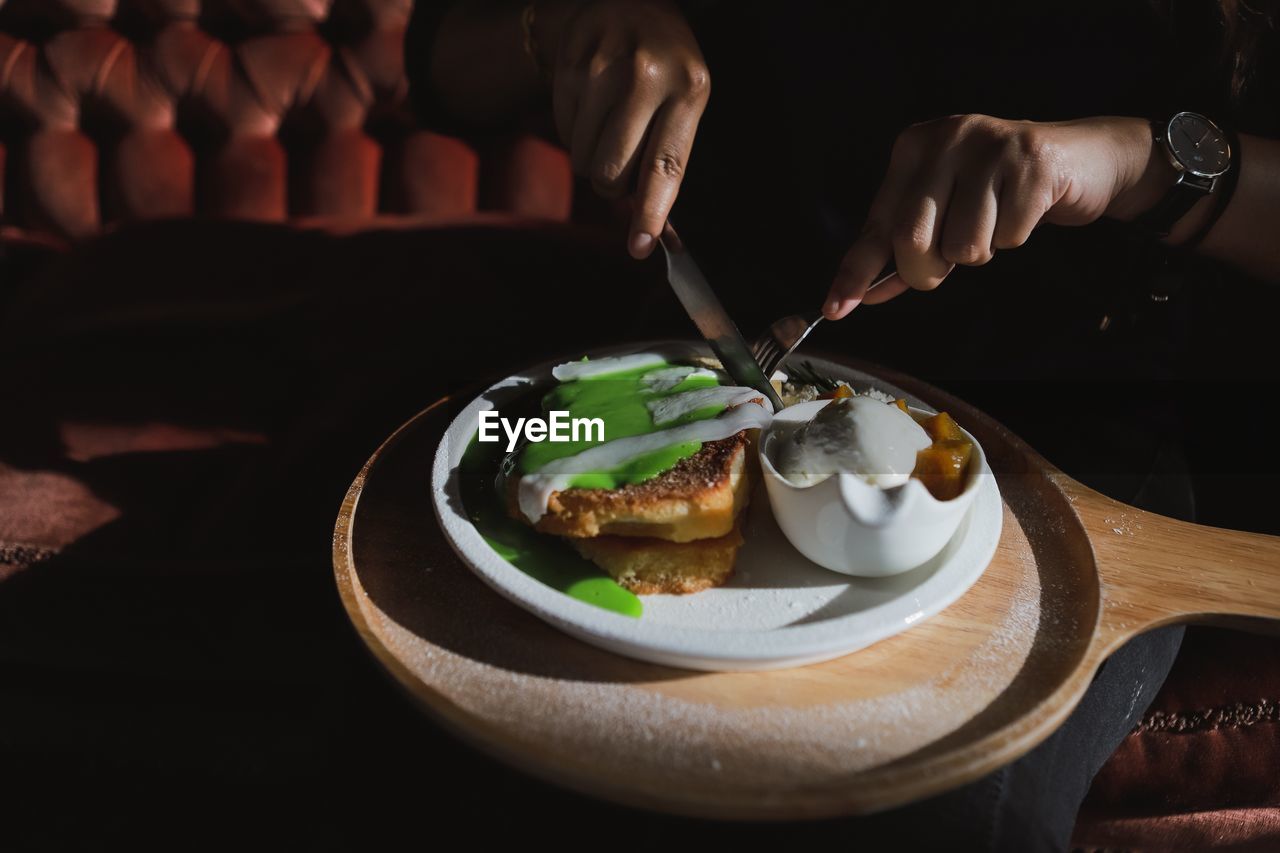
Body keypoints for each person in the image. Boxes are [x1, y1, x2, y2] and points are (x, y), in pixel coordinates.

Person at [405, 1, 1280, 851]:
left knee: (926, 815)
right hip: (693, 375)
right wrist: (561, 22)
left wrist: (1145, 165)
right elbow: (440, 61)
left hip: (1076, 448)